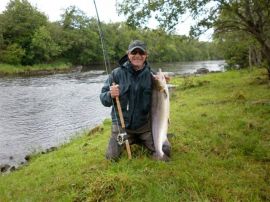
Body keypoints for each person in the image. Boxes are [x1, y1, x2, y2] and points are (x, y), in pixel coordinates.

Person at [100, 39, 171, 161]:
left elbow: (162, 94)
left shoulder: (152, 76)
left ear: (146, 56)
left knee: (165, 150)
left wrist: (165, 80)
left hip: (145, 127)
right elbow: (103, 99)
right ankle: (130, 141)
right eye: (134, 52)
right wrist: (110, 94)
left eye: (141, 53)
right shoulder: (116, 74)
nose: (137, 55)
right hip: (123, 127)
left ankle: (147, 141)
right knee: (111, 158)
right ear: (128, 54)